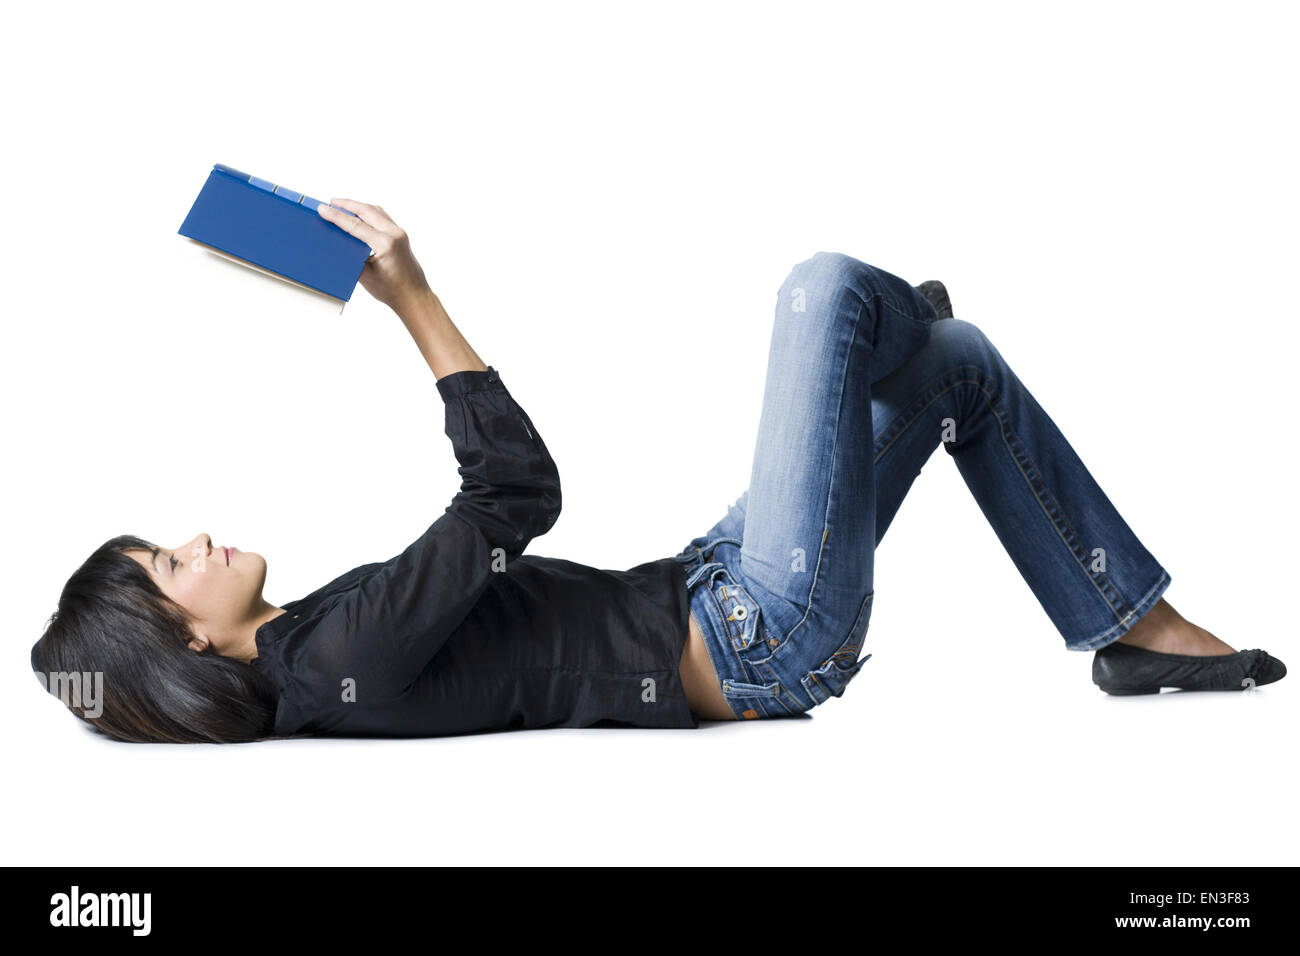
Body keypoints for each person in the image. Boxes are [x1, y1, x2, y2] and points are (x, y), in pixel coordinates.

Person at [30, 200, 1286, 743]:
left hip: (705, 582)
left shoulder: (317, 642)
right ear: (183, 643)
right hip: (756, 638)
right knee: (823, 292)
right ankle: (884, 331)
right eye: (168, 563)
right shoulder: (336, 654)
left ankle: (1136, 628)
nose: (193, 537)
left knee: (956, 363)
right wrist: (410, 293)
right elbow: (515, 497)